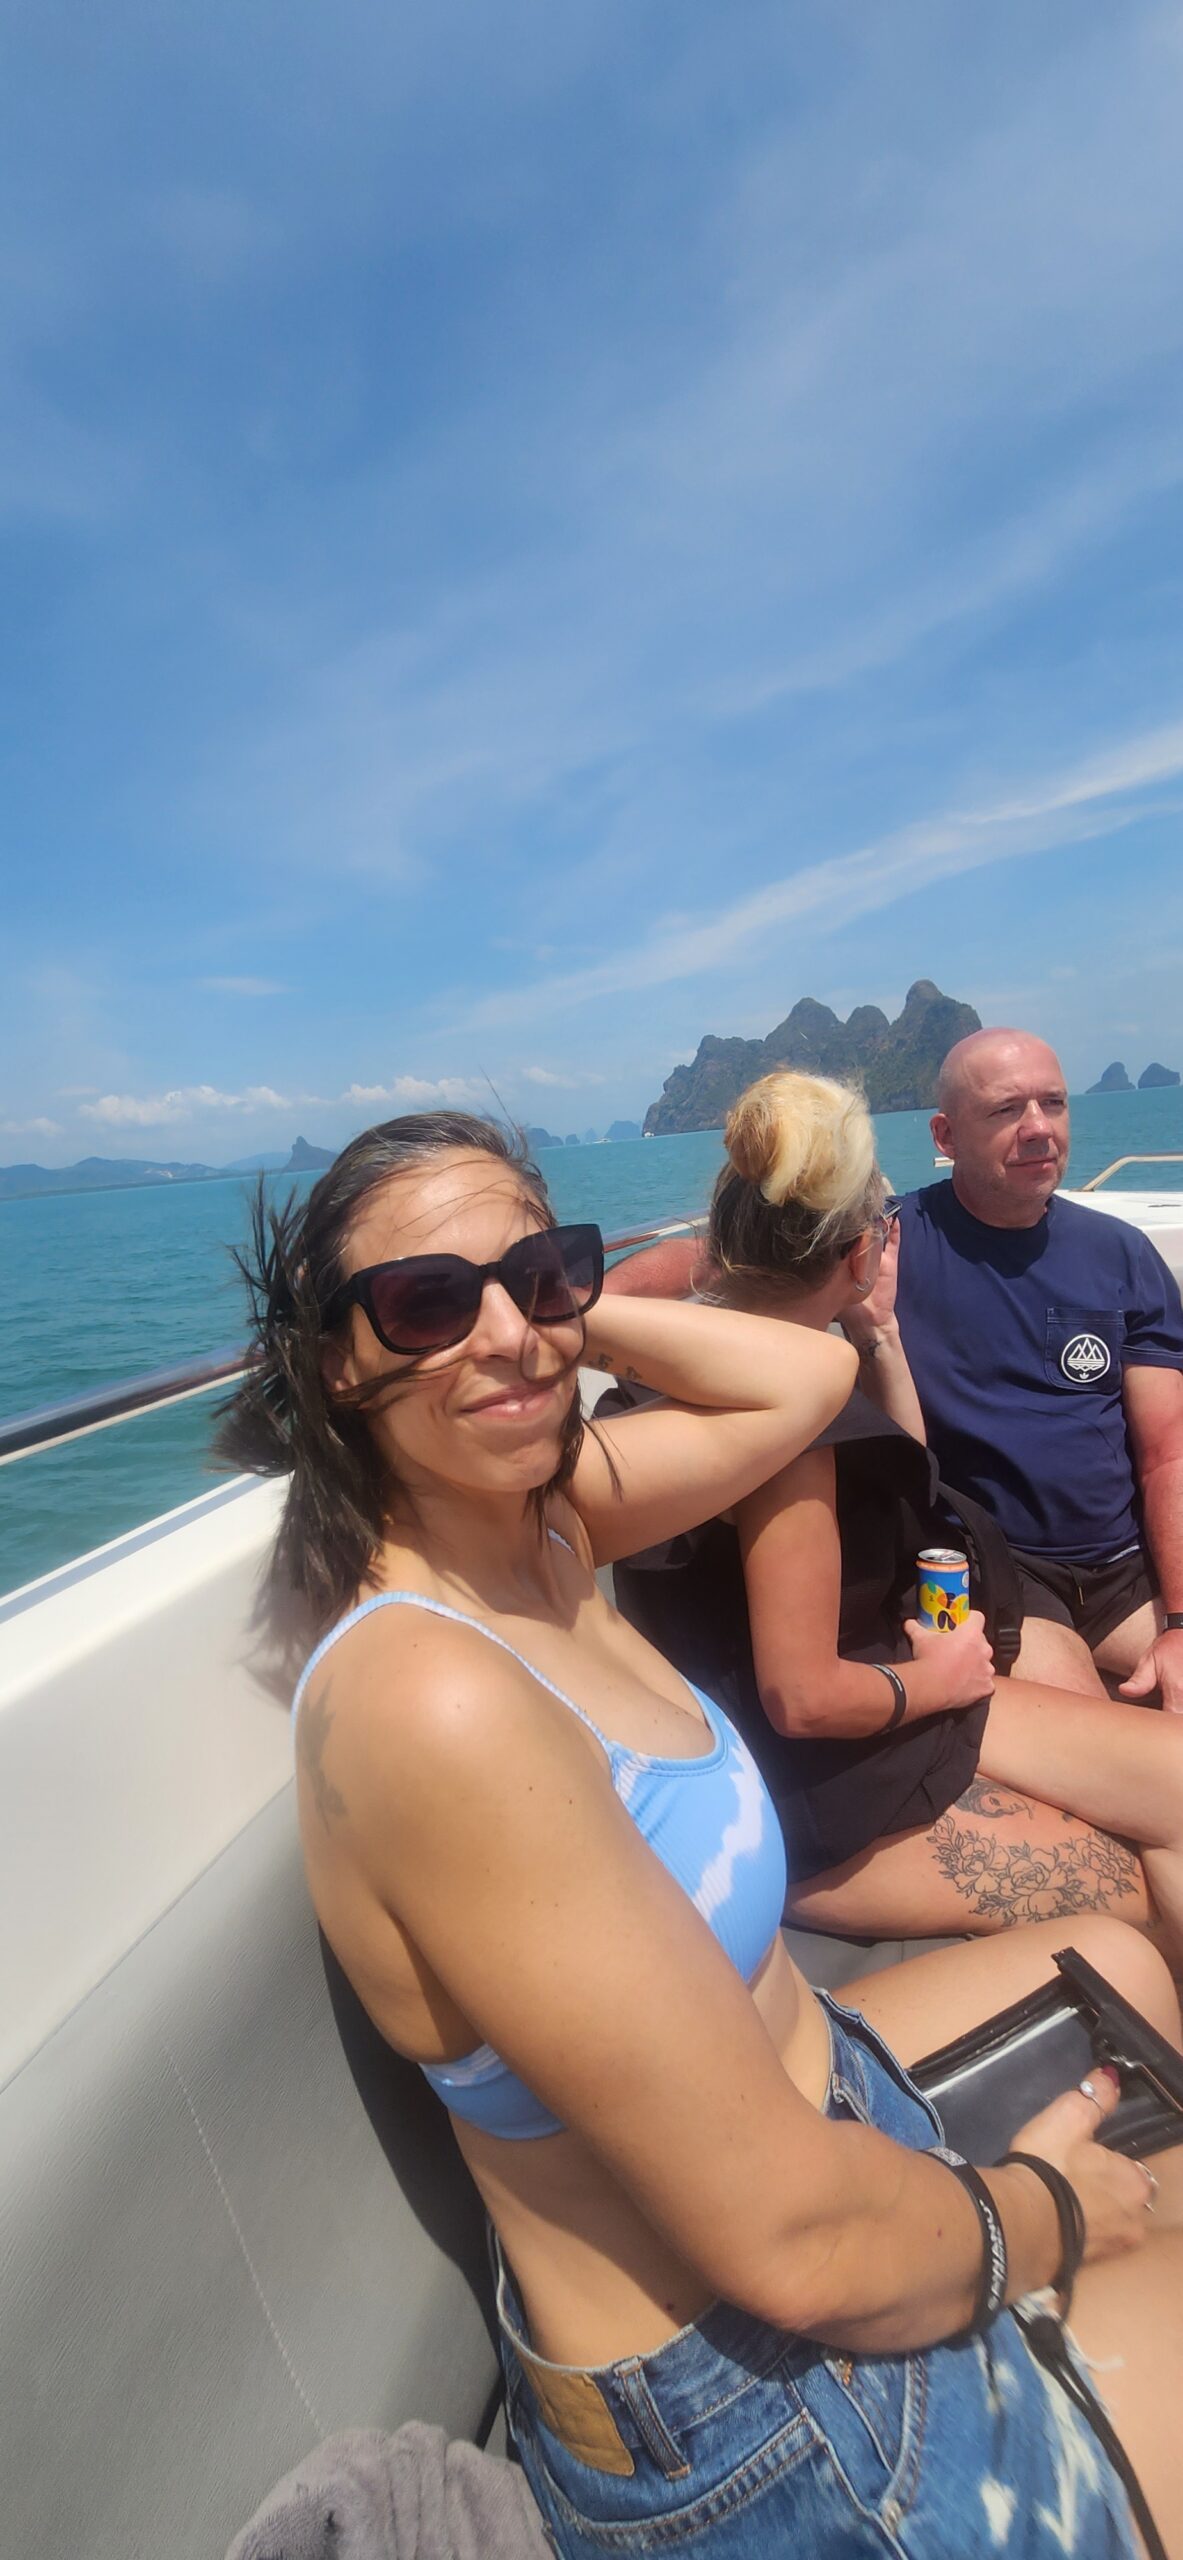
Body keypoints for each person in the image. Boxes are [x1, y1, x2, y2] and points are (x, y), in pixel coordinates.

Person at [218, 1109, 1183, 2560]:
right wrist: (1041, 2211)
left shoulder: (544, 1528)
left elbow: (804, 1376)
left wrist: (555, 1319)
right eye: (426, 1301)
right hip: (762, 2406)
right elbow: (794, 2244)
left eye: (538, 1272)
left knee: (1126, 1958)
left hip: (830, 2130)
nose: (507, 1334)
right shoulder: (429, 1698)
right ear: (336, 1360)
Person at [603, 1072, 1183, 1964]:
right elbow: (801, 1699)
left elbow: (910, 1497)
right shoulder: (789, 1432)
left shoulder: (705, 1386)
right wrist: (938, 1684)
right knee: (1137, 1885)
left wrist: (876, 1334)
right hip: (829, 1780)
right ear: (858, 1255)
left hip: (882, 1697)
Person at [889, 1027, 1183, 1705]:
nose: (1038, 1128)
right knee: (1107, 1747)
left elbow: (1166, 1452)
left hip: (1124, 1566)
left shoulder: (1121, 1254)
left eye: (1052, 1103)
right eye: (1004, 1110)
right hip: (994, 1569)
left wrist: (1178, 1622)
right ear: (945, 1136)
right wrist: (622, 1298)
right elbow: (731, 1258)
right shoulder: (890, 1244)